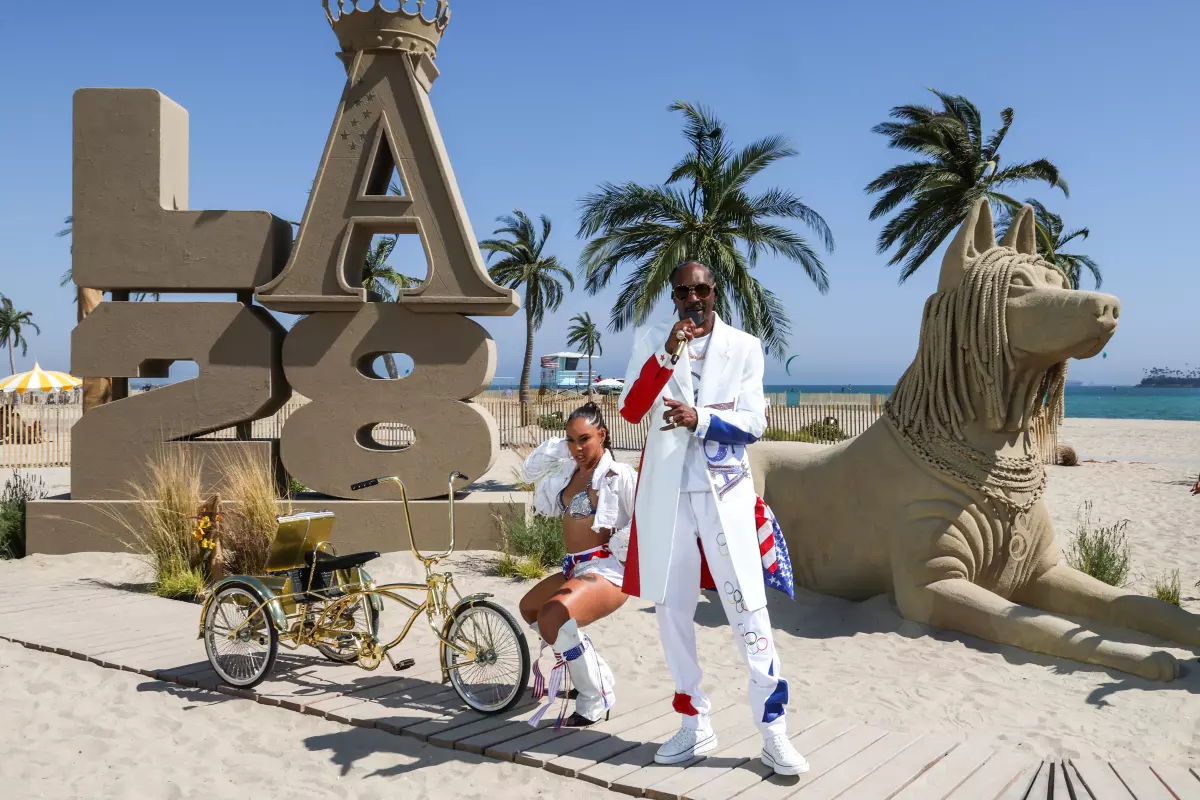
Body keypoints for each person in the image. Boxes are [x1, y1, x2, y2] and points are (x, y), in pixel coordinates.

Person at [617, 261, 807, 775]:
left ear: (714, 291)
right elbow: (631, 410)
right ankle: (693, 722)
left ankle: (774, 732)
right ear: (673, 296)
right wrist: (666, 354)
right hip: (667, 497)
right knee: (672, 611)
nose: (693, 298)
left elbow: (754, 424)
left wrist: (701, 419)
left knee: (748, 605)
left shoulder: (743, 346)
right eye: (683, 291)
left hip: (725, 493)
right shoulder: (653, 339)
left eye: (701, 289)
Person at [518, 402, 637, 727]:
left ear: (602, 434)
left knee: (553, 615)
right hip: (574, 567)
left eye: (584, 439)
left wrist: (620, 544)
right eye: (571, 440)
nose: (577, 448)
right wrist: (562, 446)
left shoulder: (618, 475)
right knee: (530, 609)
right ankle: (596, 675)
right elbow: (529, 471)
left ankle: (595, 697)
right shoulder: (569, 471)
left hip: (607, 570)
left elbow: (647, 518)